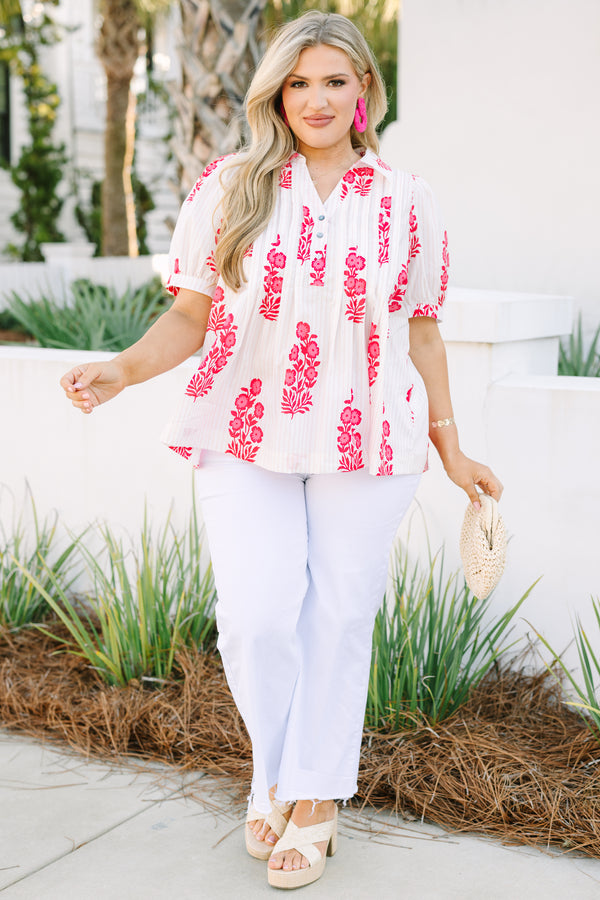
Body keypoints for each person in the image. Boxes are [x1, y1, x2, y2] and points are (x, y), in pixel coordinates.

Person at [60, 11, 502, 891]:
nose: (316, 99)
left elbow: (422, 335)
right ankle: (272, 772)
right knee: (258, 618)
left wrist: (453, 452)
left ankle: (314, 799)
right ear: (277, 94)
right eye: (298, 82)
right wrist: (121, 369)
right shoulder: (231, 187)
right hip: (244, 431)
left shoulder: (407, 200)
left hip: (369, 438)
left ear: (366, 93)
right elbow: (191, 316)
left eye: (335, 81)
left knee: (337, 616)